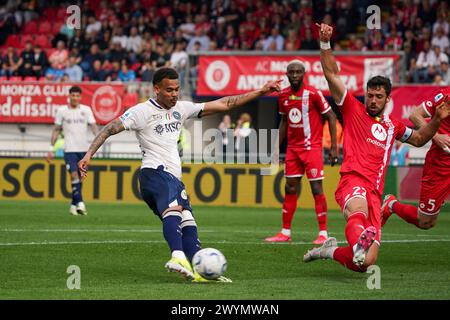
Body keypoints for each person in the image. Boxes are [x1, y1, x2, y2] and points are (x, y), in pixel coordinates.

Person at [77, 67, 281, 282]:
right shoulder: (141, 111)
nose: (174, 94)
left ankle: (198, 271)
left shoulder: (181, 109)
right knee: (175, 210)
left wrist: (261, 92)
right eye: (169, 90)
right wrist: (88, 155)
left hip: (172, 178)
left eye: (177, 89)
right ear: (156, 89)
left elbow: (225, 103)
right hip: (155, 173)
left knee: (187, 220)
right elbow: (110, 128)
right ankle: (177, 256)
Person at [303, 23, 450, 272]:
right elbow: (331, 75)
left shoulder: (393, 126)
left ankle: (328, 250)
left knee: (365, 264)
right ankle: (359, 243)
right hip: (353, 181)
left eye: (378, 96)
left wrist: (436, 121)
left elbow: (419, 139)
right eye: (370, 95)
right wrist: (325, 44)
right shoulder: (352, 109)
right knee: (357, 211)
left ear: (387, 99)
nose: (372, 100)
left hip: (375, 193)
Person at [265, 60, 339, 245]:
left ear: (304, 74)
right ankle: (285, 232)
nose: (295, 75)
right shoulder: (283, 96)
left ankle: (323, 233)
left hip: (312, 148)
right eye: (292, 72)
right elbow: (284, 122)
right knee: (290, 187)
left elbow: (331, 116)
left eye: (298, 72)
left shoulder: (313, 93)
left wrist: (333, 147)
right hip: (293, 150)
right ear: (287, 74)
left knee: (316, 189)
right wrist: (275, 148)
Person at [382, 87, 450, 230]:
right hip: (441, 165)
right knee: (426, 222)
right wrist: (436, 136)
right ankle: (392, 204)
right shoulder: (445, 97)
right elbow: (415, 115)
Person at [47, 86, 98, 215]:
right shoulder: (62, 111)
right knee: (74, 175)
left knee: (80, 178)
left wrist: (98, 141)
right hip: (69, 149)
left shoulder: (86, 110)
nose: (75, 98)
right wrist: (50, 149)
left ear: (80, 97)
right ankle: (80, 203)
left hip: (84, 150)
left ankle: (73, 205)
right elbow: (56, 129)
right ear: (69, 96)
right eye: (73, 95)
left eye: (77, 95)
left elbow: (93, 126)